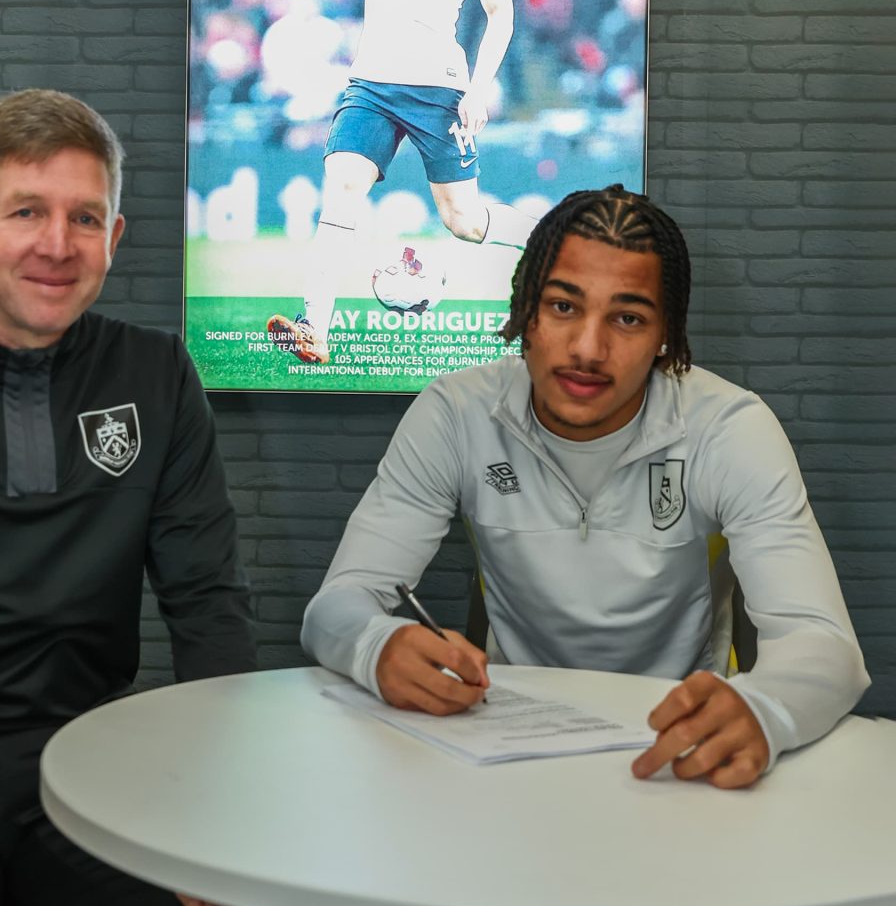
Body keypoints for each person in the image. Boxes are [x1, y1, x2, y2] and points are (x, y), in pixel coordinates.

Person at [0, 88, 290, 906]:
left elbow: (208, 606)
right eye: (27, 211)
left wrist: (225, 822)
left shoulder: (156, 374)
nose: (57, 245)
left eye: (84, 218)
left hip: (88, 769)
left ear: (114, 235)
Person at [302, 183, 869, 792]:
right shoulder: (456, 412)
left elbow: (824, 644)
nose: (587, 349)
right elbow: (337, 605)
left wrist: (765, 709)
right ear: (525, 309)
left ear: (665, 337)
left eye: (627, 318)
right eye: (563, 306)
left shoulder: (728, 427)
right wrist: (378, 646)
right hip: (503, 747)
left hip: (679, 745)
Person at [267, 0, 538, 365]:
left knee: (464, 220)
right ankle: (314, 328)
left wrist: (480, 89)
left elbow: (501, 14)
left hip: (437, 87)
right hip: (370, 83)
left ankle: (561, 238)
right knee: (342, 184)